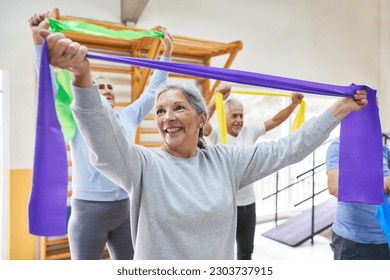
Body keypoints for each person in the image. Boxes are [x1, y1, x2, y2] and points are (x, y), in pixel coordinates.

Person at [41, 29, 368, 260]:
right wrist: (82, 78)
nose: (167, 116)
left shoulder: (227, 161)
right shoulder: (143, 166)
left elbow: (289, 148)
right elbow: (103, 140)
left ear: (201, 120)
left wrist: (339, 109)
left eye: (178, 108)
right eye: (160, 111)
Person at [29, 12, 173, 260]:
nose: (106, 90)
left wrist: (167, 54)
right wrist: (37, 43)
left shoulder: (127, 117)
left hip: (125, 209)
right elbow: (49, 84)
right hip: (87, 212)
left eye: (110, 88)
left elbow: (153, 92)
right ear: (90, 91)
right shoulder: (78, 116)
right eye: (100, 86)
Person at [203, 86, 304, 260]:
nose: (239, 120)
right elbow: (200, 123)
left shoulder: (248, 132)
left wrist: (293, 105)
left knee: (246, 252)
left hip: (248, 204)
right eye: (234, 115)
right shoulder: (216, 134)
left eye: (241, 115)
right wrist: (216, 99)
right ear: (224, 115)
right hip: (225, 204)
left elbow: (274, 121)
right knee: (220, 252)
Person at [326, 137, 390, 260]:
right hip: (354, 242)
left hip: (385, 238)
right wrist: (375, 184)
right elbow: (335, 187)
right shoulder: (338, 146)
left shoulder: (383, 148)